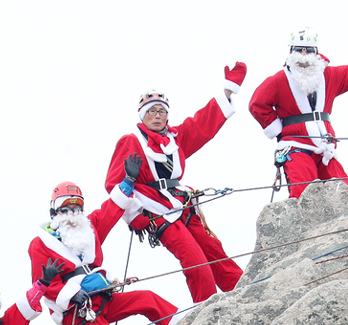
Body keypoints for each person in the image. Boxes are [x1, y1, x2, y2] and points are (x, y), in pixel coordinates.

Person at [29, 159, 180, 325]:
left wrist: (128, 182)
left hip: (103, 296)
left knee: (146, 299)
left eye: (77, 208)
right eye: (66, 209)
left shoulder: (89, 228)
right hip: (76, 311)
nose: (73, 214)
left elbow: (110, 210)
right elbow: (43, 286)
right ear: (55, 212)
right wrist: (70, 295)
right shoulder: (41, 244)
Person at [104, 66, 247, 303]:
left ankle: (244, 293)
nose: (158, 115)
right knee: (195, 262)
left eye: (162, 111)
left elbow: (202, 124)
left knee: (214, 251)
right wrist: (133, 214)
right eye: (151, 111)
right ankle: (207, 310)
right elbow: (114, 184)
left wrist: (227, 91)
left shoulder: (175, 140)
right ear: (142, 115)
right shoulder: (131, 141)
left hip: (183, 204)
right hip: (157, 212)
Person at [249, 28, 348, 197]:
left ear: (316, 52)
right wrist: (278, 129)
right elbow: (257, 103)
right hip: (296, 145)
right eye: (299, 50)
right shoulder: (278, 80)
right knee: (303, 192)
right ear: (291, 52)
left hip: (325, 147)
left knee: (344, 191)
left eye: (308, 50)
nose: (303, 54)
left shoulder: (329, 76)